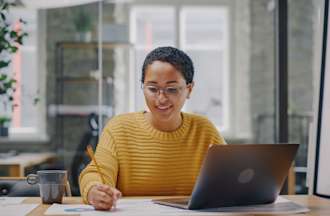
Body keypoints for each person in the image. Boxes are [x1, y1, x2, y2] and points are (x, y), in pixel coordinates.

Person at [79, 46, 226, 210]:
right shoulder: (119, 128)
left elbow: (231, 178)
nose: (161, 98)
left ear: (189, 89)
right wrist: (94, 190)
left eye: (171, 89)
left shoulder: (204, 130)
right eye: (153, 89)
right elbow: (95, 173)